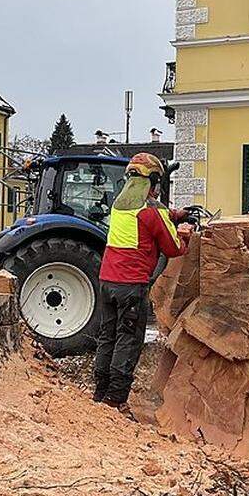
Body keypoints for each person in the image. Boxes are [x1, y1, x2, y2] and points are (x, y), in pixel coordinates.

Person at [93, 153, 192, 413]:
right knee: (128, 339)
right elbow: (172, 249)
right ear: (154, 182)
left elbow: (146, 214)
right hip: (131, 285)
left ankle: (100, 392)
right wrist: (184, 234)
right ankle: (116, 399)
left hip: (107, 281)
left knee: (108, 336)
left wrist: (173, 214)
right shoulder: (152, 212)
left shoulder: (119, 205)